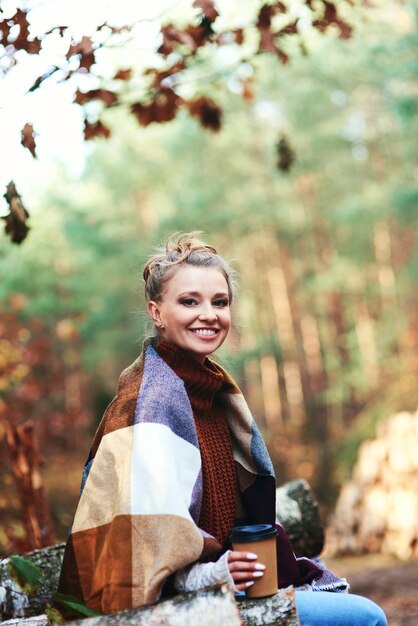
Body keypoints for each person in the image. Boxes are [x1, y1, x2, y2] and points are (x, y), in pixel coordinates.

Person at [58, 232, 387, 626]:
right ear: (157, 313)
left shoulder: (212, 392)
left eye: (220, 302)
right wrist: (217, 574)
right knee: (366, 618)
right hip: (168, 603)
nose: (209, 314)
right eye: (189, 301)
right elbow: (144, 546)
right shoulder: (150, 405)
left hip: (226, 581)